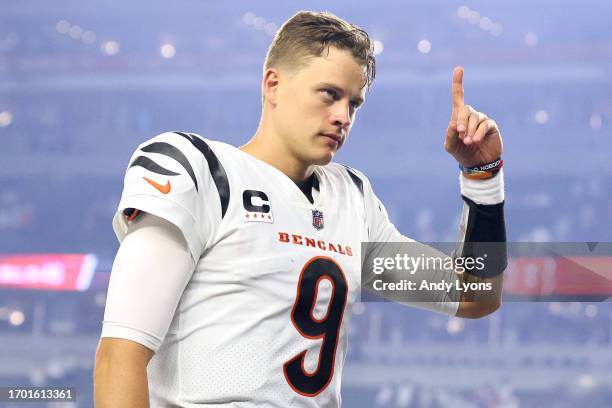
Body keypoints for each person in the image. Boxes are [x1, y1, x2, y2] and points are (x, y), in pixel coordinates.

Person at [94, 10, 506, 407]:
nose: (343, 116)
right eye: (329, 94)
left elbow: (475, 294)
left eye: (354, 104)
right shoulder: (200, 172)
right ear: (273, 84)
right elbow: (121, 353)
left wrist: (483, 176)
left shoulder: (352, 200)